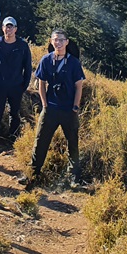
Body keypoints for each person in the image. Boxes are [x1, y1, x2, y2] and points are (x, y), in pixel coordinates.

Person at [22, 28, 85, 189]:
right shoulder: (46, 60)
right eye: (55, 39)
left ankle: (74, 177)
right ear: (51, 41)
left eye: (61, 40)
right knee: (40, 141)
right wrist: (44, 104)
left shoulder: (73, 63)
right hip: (50, 108)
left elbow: (79, 86)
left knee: (72, 144)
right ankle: (32, 173)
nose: (58, 43)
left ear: (67, 42)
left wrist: (75, 107)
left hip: (68, 110)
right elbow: (41, 83)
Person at [0, 17, 33, 152]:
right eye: (6, 26)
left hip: (16, 86)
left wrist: (24, 84)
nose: (9, 29)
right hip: (0, 84)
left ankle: (13, 140)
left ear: (16, 29)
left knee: (14, 113)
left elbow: (27, 66)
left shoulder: (22, 46)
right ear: (2, 28)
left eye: (11, 27)